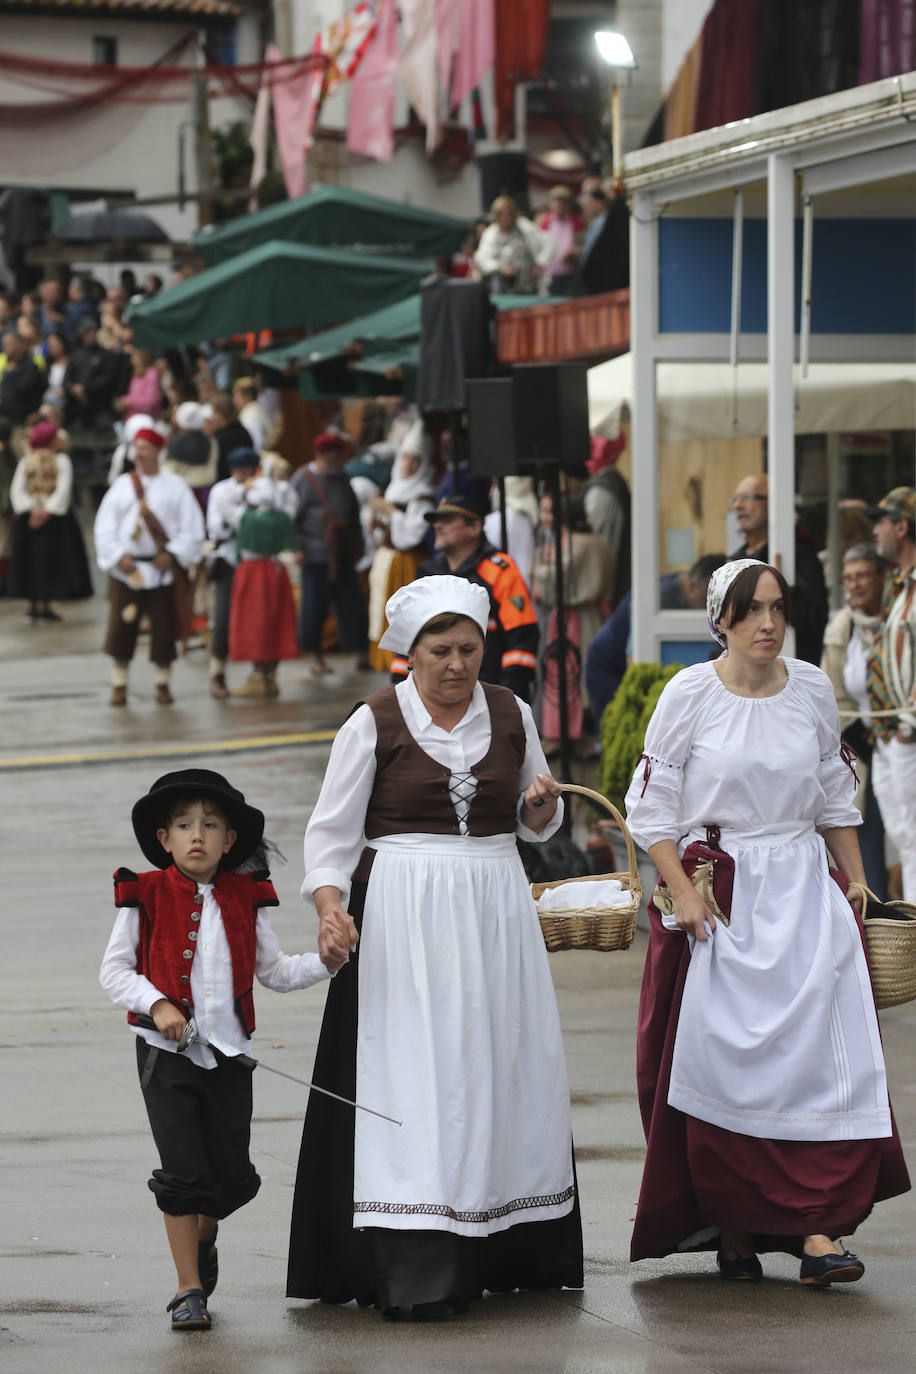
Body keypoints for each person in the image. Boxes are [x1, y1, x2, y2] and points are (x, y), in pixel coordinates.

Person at [287, 576, 583, 1316]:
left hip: (494, 906)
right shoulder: (374, 721)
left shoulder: (512, 711)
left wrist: (537, 808)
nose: (456, 664)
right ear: (409, 653)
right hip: (402, 912)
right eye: (440, 650)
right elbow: (329, 837)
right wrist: (331, 909)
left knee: (495, 1063)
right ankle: (417, 1265)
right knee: (414, 1074)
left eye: (468, 648)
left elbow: (528, 814)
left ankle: (503, 1240)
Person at [624, 558, 909, 1283]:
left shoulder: (811, 687)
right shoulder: (690, 693)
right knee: (732, 1065)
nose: (768, 624)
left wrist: (857, 884)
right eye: (752, 610)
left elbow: (834, 796)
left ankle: (816, 1231)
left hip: (802, 886)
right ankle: (737, 1224)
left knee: (814, 1063)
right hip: (722, 896)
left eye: (778, 609)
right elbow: (650, 809)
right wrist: (683, 891)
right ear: (721, 620)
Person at [99, 768, 341, 1333]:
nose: (197, 835)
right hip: (167, 1058)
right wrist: (158, 1004)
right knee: (184, 1173)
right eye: (184, 825)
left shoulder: (245, 896)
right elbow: (115, 972)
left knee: (230, 1177)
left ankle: (205, 1234)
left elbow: (275, 972)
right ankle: (188, 1289)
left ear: (230, 840)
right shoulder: (144, 893)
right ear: (165, 838)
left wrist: (328, 961)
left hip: (230, 1056)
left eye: (210, 825)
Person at [93, 427, 204, 706]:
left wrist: (173, 554)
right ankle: (119, 685)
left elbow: (192, 528)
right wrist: (119, 556)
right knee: (121, 627)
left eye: (144, 448)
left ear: (157, 451)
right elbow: (104, 527)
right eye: (137, 448)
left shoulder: (175, 486)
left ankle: (162, 684)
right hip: (127, 570)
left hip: (161, 570)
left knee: (164, 629)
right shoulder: (121, 485)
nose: (139, 453)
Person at [404, 489, 539, 701]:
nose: (438, 526)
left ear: (474, 527)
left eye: (448, 520)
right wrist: (403, 690)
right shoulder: (427, 573)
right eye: (436, 520)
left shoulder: (500, 570)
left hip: (488, 695)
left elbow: (522, 640)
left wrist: (504, 698)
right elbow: (408, 638)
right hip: (432, 698)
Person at [586, 555, 726, 731]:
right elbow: (634, 650)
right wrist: (640, 694)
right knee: (614, 728)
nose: (707, 607)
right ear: (691, 585)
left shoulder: (684, 590)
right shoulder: (655, 595)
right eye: (706, 598)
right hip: (607, 665)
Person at [821, 543, 888, 898]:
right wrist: (861, 738)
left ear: (882, 577)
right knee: (867, 830)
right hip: (862, 743)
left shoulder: (900, 620)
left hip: (903, 737)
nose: (855, 584)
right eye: (848, 578)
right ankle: (881, 919)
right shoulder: (842, 628)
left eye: (862, 575)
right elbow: (831, 695)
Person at [531, 492, 614, 751]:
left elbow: (551, 579)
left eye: (550, 512)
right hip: (588, 613)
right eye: (543, 511)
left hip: (576, 615)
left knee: (571, 670)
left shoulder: (576, 545)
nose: (545, 518)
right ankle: (575, 733)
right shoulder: (590, 542)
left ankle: (572, 735)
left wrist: (538, 568)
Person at [866, 487, 916, 900]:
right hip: (890, 731)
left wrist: (908, 727)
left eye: (881, 522)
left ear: (902, 527)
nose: (875, 532)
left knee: (914, 841)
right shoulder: (899, 585)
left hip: (905, 730)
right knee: (905, 840)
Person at [728, 473, 828, 665]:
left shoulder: (797, 553)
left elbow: (815, 618)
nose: (738, 506)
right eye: (735, 499)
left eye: (748, 498)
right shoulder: (736, 560)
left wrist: (781, 592)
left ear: (772, 504)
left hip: (789, 674)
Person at [291, 430, 367, 676]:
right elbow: (292, 517)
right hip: (314, 553)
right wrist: (297, 547)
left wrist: (358, 543)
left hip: (342, 550)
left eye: (338, 455)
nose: (335, 460)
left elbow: (353, 513)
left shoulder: (342, 477)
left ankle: (360, 651)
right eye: (331, 455)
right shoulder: (302, 479)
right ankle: (316, 656)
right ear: (320, 454)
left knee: (352, 603)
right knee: (314, 606)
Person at [224, 450, 299, 699]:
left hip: (252, 570)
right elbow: (289, 508)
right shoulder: (283, 517)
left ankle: (258, 676)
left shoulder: (242, 515)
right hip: (275, 569)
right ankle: (271, 676)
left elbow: (223, 511)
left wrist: (246, 489)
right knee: (275, 620)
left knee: (254, 622)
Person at [365, 419, 437, 671]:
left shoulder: (422, 495)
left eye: (415, 461)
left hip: (405, 561)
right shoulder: (395, 488)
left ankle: (398, 659)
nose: (408, 465)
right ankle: (383, 658)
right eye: (406, 459)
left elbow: (412, 533)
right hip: (386, 557)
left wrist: (391, 512)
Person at [8, 418, 92, 621]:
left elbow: (60, 488)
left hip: (42, 518)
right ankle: (37, 604)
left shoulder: (35, 460)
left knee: (46, 562)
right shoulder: (39, 460)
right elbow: (19, 489)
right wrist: (39, 510)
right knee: (36, 562)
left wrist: (37, 510)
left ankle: (42, 604)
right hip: (43, 517)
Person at [474, 196, 549, 296]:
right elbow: (482, 259)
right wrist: (500, 267)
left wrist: (540, 263)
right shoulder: (490, 233)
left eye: (509, 215)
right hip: (502, 288)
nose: (506, 219)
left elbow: (549, 243)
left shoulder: (525, 228)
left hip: (528, 286)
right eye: (502, 215)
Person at [536, 186, 583, 297]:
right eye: (556, 202)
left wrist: (573, 252)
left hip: (570, 276)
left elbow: (583, 245)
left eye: (563, 202)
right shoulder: (544, 222)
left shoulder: (577, 222)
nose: (559, 205)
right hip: (549, 276)